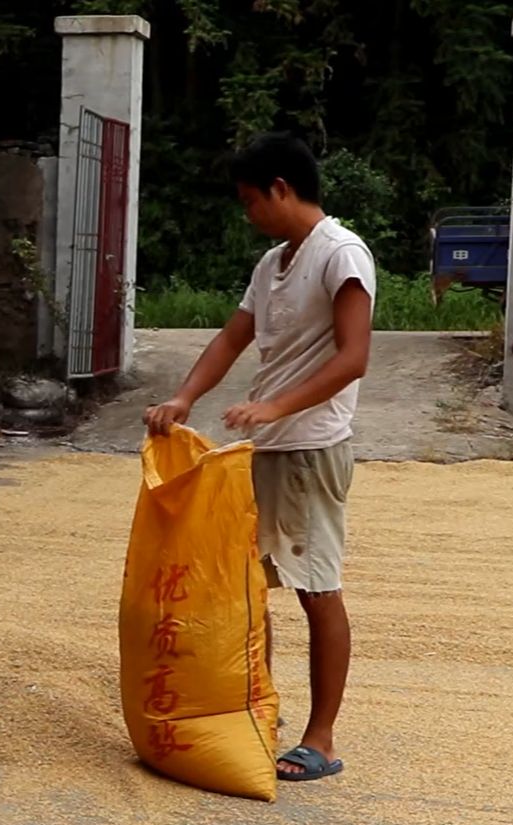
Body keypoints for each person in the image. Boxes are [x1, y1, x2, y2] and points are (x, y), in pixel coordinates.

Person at [143, 132, 375, 783]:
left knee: (317, 589)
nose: (248, 215)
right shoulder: (275, 262)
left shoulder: (341, 254)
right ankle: (259, 709)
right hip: (267, 452)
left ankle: (321, 738)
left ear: (281, 188)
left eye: (251, 201)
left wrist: (276, 407)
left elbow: (353, 356)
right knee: (250, 587)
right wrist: (185, 396)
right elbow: (232, 337)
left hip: (311, 449)